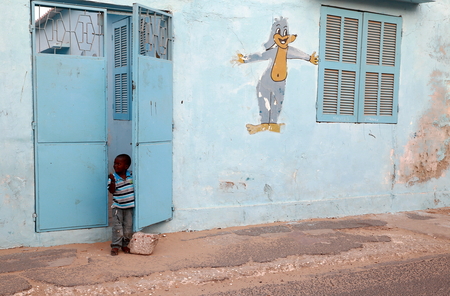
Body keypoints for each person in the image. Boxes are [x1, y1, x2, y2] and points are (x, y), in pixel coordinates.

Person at [108, 154, 134, 256]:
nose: (115, 166)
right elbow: (112, 191)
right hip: (117, 207)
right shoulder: (112, 177)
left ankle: (125, 245)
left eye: (119, 164)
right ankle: (115, 246)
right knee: (117, 228)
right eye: (115, 163)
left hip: (129, 207)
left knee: (128, 227)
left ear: (126, 166)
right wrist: (113, 182)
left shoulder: (131, 175)